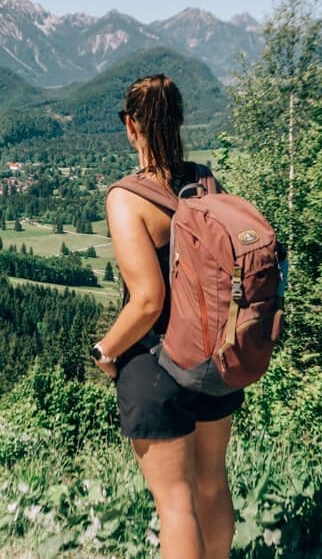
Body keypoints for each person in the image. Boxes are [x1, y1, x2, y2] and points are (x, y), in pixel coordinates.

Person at [91, 74, 242, 559]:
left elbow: (148, 301)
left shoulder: (126, 198)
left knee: (176, 506)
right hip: (212, 358)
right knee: (212, 487)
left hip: (157, 368)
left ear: (130, 125)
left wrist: (106, 349)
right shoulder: (205, 181)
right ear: (178, 121)